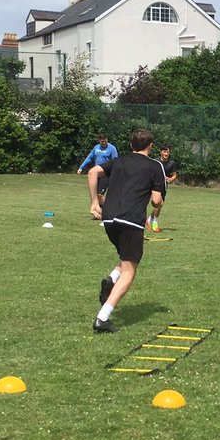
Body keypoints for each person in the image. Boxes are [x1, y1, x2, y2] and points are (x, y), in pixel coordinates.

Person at [88, 129, 167, 333]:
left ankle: (112, 278)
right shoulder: (155, 166)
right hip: (131, 219)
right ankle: (103, 317)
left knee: (126, 257)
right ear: (150, 146)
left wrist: (95, 203)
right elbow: (157, 200)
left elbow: (92, 172)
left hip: (109, 219)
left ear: (131, 145)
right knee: (130, 271)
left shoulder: (119, 161)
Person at [78, 133, 119, 214]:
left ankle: (107, 212)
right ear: (99, 141)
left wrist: (115, 174)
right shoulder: (96, 147)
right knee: (95, 196)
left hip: (106, 175)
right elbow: (89, 157)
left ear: (107, 139)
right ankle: (98, 212)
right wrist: (81, 167)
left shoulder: (112, 148)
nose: (103, 143)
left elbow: (116, 162)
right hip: (96, 175)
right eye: (102, 142)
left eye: (105, 141)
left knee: (100, 194)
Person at [148, 144, 177, 233]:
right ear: (161, 152)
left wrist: (170, 179)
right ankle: (155, 223)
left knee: (160, 204)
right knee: (159, 203)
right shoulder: (155, 162)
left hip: (164, 186)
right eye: (164, 151)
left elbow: (175, 175)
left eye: (168, 152)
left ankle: (150, 219)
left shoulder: (171, 163)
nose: (166, 153)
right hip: (154, 186)